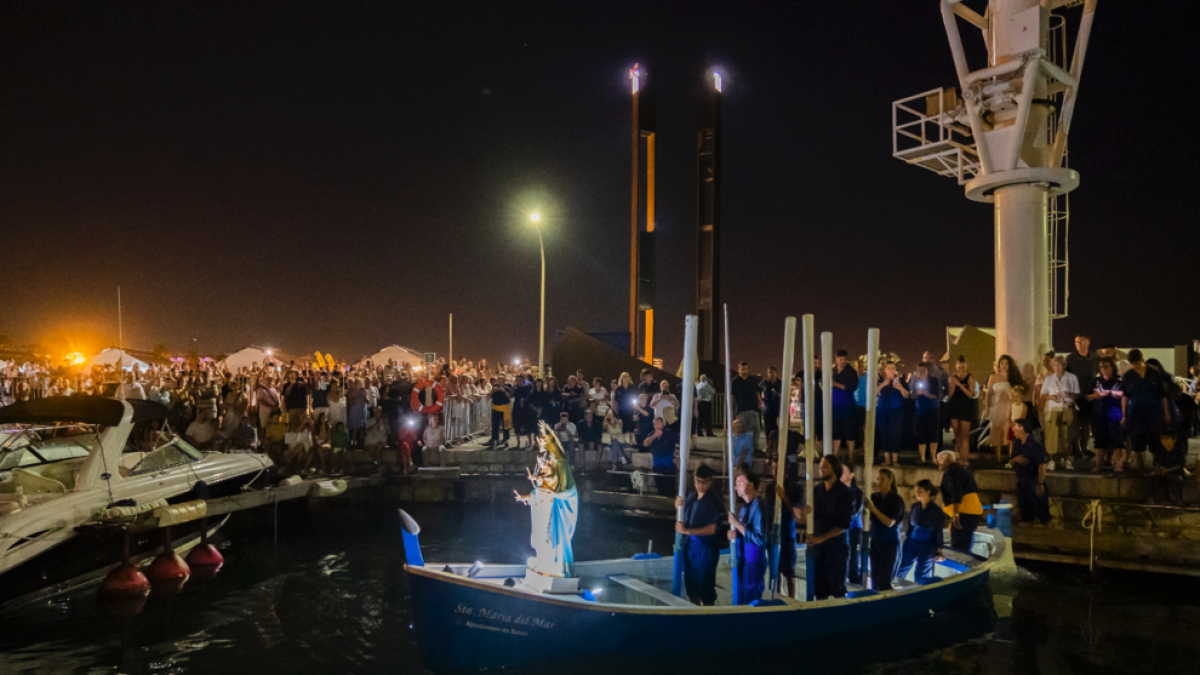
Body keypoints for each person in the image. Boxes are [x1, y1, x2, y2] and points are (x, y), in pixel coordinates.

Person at [802, 454, 853, 600]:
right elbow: (814, 517)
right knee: (820, 590)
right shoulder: (817, 491)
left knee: (837, 589)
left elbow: (844, 524)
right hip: (819, 549)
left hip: (836, 548)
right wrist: (807, 514)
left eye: (825, 466)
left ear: (834, 469)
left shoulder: (844, 493)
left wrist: (821, 538)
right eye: (820, 466)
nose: (821, 469)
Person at [674, 464, 724, 606]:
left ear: (711, 481)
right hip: (689, 547)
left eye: (705, 482)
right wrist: (677, 506)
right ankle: (694, 613)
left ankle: (709, 619)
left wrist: (687, 531)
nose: (701, 485)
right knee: (691, 588)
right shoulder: (690, 497)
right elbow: (682, 517)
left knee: (706, 588)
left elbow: (713, 528)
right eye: (698, 481)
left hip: (706, 549)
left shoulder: (714, 501)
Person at [1121, 349, 1170, 476]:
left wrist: (1166, 412)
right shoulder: (1128, 376)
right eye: (1132, 364)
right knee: (1138, 441)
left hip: (1154, 411)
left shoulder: (1154, 374)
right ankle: (1140, 470)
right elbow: (1125, 397)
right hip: (1136, 413)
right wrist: (1124, 415)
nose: (1134, 366)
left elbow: (1162, 395)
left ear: (1143, 360)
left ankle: (1157, 468)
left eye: (1137, 363)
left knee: (1155, 439)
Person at [727, 468, 767, 604]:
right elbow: (742, 531)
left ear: (750, 485)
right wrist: (734, 533)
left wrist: (737, 524)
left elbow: (759, 538)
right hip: (743, 561)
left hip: (753, 562)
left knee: (751, 599)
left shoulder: (760, 508)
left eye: (739, 483)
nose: (735, 486)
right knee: (740, 599)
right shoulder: (745, 507)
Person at [864, 467, 905, 591]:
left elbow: (890, 522)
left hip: (889, 543)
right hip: (876, 542)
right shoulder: (874, 497)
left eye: (883, 479)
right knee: (875, 579)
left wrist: (873, 509)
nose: (879, 482)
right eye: (878, 479)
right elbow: (869, 518)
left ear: (890, 480)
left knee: (885, 580)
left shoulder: (897, 500)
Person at [896, 479, 945, 583]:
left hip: (927, 545)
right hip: (912, 542)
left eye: (920, 491)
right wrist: (907, 541)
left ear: (928, 492)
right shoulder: (914, 507)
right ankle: (894, 590)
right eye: (916, 491)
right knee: (901, 569)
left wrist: (939, 551)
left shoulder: (936, 511)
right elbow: (909, 527)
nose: (917, 494)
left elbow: (938, 531)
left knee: (921, 574)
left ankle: (920, 593)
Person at [936, 450, 983, 551]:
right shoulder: (964, 471)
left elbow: (956, 492)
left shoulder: (950, 472)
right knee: (965, 544)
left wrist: (956, 515)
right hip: (973, 512)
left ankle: (963, 565)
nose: (937, 463)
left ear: (948, 460)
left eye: (939, 460)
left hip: (963, 513)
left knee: (959, 550)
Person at [1041, 355, 1080, 470]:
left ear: (1063, 365)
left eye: (1058, 365)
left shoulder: (1072, 377)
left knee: (1066, 433)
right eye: (1054, 365)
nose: (1056, 367)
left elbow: (1076, 393)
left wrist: (1067, 394)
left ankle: (1066, 460)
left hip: (1066, 407)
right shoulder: (1048, 379)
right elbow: (1042, 395)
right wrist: (1051, 397)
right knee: (1052, 433)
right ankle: (1052, 459)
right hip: (1053, 408)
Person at [1087, 357, 1125, 472]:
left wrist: (1110, 392)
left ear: (1112, 367)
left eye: (1106, 366)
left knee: (1116, 438)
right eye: (1102, 367)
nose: (1104, 369)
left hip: (1114, 412)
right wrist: (1094, 396)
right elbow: (1087, 396)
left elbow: (1124, 394)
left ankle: (1118, 464)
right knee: (1099, 438)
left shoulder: (1119, 381)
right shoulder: (1096, 381)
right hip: (1099, 413)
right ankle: (1099, 464)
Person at [1010, 418, 1050, 524]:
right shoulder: (1018, 442)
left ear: (1021, 428)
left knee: (1040, 511)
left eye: (1015, 425)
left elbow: (1042, 464)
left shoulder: (1035, 444)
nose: (1012, 428)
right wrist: (1015, 459)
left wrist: (1040, 483)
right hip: (1022, 483)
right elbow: (1011, 460)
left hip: (1033, 482)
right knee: (1025, 512)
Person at [1066, 334, 1099, 461]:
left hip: (1089, 396)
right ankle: (1076, 449)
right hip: (1074, 396)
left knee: (1086, 424)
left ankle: (1084, 448)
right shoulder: (1070, 358)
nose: (1079, 344)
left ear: (1088, 342)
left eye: (1082, 341)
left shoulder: (1095, 358)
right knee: (1074, 424)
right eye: (1076, 342)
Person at [985, 355, 1024, 458]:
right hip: (996, 406)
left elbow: (1019, 391)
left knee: (1009, 432)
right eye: (1002, 363)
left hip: (1009, 407)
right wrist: (987, 408)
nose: (1004, 366)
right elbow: (989, 394)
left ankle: (1011, 456)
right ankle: (997, 457)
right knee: (996, 431)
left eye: (1006, 363)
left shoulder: (1013, 377)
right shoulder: (993, 377)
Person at [946, 356, 978, 464]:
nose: (961, 369)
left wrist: (959, 385)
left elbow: (970, 394)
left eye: (963, 367)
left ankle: (966, 459)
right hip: (954, 408)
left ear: (966, 366)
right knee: (957, 433)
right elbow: (949, 396)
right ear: (956, 366)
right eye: (959, 367)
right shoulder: (952, 378)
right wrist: (952, 386)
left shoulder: (970, 378)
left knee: (965, 434)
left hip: (965, 407)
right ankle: (960, 458)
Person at [876, 362, 908, 467]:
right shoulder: (880, 381)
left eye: (892, 368)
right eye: (888, 368)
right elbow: (872, 393)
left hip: (896, 412)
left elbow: (907, 396)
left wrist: (900, 388)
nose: (890, 370)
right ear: (885, 370)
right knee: (884, 434)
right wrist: (883, 385)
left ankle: (894, 460)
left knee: (895, 435)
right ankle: (887, 460)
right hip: (883, 411)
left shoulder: (900, 381)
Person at [911, 362, 943, 464]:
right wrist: (917, 393)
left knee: (933, 433)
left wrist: (927, 394)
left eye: (923, 370)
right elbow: (913, 396)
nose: (921, 373)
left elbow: (936, 395)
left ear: (927, 371)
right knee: (921, 434)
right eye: (919, 371)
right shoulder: (916, 382)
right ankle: (922, 457)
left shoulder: (933, 380)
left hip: (932, 410)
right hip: (920, 411)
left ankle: (933, 457)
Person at [830, 350, 859, 461]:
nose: (843, 361)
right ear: (836, 359)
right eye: (840, 359)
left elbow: (852, 387)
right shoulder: (832, 371)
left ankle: (851, 456)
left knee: (849, 431)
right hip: (834, 406)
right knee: (835, 432)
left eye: (844, 359)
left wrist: (836, 384)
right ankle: (835, 455)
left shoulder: (851, 372)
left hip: (847, 406)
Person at [840, 463, 865, 585]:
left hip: (854, 527)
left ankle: (855, 581)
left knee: (854, 557)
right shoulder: (836, 491)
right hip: (841, 528)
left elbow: (855, 511)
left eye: (843, 472)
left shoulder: (857, 492)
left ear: (851, 475)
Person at [730, 362, 762, 453]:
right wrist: (732, 410)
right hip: (741, 409)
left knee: (756, 429)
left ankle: (757, 448)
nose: (744, 371)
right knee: (744, 430)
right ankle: (747, 449)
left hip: (754, 408)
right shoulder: (735, 381)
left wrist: (760, 403)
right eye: (742, 369)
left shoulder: (753, 380)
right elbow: (732, 396)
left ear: (748, 369)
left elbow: (757, 393)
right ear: (739, 369)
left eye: (746, 369)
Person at [643, 417, 678, 496]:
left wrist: (679, 457)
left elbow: (682, 442)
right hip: (657, 465)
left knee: (670, 488)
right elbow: (645, 443)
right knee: (660, 488)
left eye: (659, 423)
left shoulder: (670, 433)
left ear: (663, 424)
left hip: (669, 465)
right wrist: (655, 435)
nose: (657, 426)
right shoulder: (651, 434)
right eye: (655, 424)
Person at [759, 366, 784, 437]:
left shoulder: (780, 383)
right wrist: (761, 400)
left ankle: (777, 447)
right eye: (770, 372)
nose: (771, 374)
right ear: (767, 374)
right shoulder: (765, 383)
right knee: (768, 431)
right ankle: (769, 446)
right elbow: (758, 391)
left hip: (778, 411)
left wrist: (780, 395)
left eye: (773, 372)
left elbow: (785, 395)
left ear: (776, 373)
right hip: (768, 411)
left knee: (778, 431)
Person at [613, 372, 637, 446]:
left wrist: (635, 410)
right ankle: (623, 441)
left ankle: (632, 441)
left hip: (630, 408)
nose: (625, 378)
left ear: (629, 378)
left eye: (626, 377)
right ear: (621, 378)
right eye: (624, 377)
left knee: (631, 424)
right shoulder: (619, 388)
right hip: (621, 409)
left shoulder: (632, 387)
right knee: (623, 425)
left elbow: (635, 397)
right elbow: (616, 400)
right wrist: (617, 413)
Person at [490, 379, 512, 449]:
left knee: (505, 425)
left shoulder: (507, 388)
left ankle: (506, 440)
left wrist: (504, 391)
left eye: (502, 381)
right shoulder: (494, 387)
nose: (500, 382)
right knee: (495, 425)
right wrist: (493, 391)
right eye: (499, 381)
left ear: (504, 382)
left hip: (504, 409)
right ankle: (495, 440)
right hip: (496, 408)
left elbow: (509, 396)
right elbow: (489, 395)